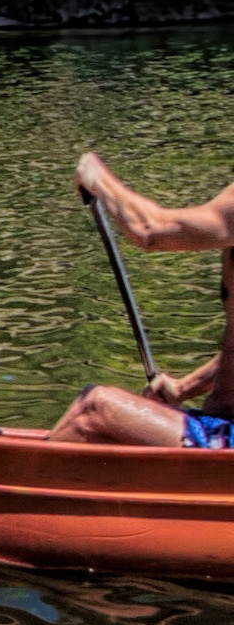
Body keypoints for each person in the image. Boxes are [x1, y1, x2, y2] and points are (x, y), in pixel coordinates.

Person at [59, 151, 234, 447]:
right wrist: (183, 388)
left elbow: (149, 230)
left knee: (93, 409)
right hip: (219, 428)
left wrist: (96, 177)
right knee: (105, 429)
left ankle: (5, 491)